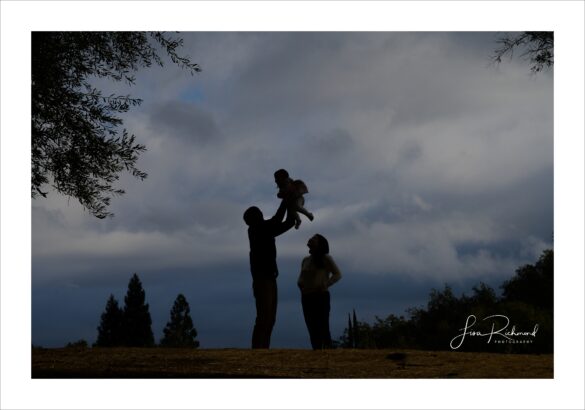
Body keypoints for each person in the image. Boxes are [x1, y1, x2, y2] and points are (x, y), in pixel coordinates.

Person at [243, 198, 295, 349]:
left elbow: (284, 224)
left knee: (270, 317)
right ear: (254, 219)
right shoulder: (257, 229)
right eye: (259, 213)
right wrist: (286, 200)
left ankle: (263, 348)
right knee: (265, 316)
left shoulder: (263, 230)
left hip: (269, 278)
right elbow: (278, 220)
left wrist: (292, 212)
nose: (262, 214)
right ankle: (259, 349)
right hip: (263, 279)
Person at [297, 234, 342, 349]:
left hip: (320, 295)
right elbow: (301, 276)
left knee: (322, 325)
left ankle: (327, 350)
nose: (311, 238)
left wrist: (326, 284)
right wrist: (300, 284)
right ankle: (316, 350)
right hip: (306, 296)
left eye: (315, 238)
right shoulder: (305, 260)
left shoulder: (325, 258)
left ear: (320, 243)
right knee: (311, 326)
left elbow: (337, 274)